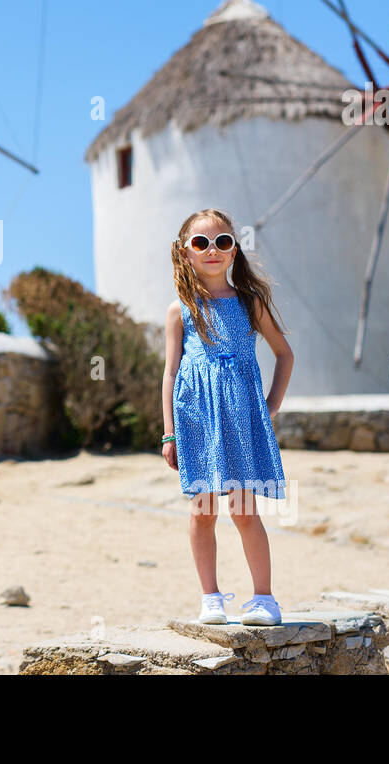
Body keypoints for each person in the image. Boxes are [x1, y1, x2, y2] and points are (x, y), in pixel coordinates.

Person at [160, 208, 292, 626]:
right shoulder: (180, 309)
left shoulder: (250, 302)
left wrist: (269, 407)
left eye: (223, 242)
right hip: (196, 422)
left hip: (239, 422)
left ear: (234, 250)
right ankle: (211, 598)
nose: (212, 250)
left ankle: (265, 599)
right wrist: (168, 434)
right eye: (201, 243)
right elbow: (170, 371)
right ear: (186, 253)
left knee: (244, 512)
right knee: (202, 512)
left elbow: (284, 354)